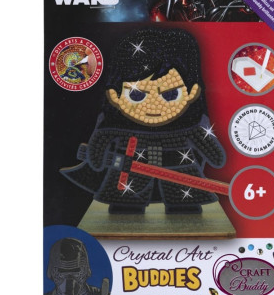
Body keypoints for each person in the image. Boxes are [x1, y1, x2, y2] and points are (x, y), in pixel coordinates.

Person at [61, 28, 226, 214]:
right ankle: (125, 207)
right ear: (115, 95)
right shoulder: (118, 126)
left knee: (184, 200)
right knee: (125, 203)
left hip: (180, 167)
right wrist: (96, 155)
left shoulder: (188, 126)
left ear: (192, 92)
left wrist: (213, 154)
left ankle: (184, 208)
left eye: (170, 94)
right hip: (129, 173)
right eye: (136, 95)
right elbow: (101, 142)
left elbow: (210, 149)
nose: (153, 105)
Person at [44, 238, 110, 295]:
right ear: (52, 271)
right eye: (63, 270)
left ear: (85, 270)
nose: (69, 278)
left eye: (75, 270)